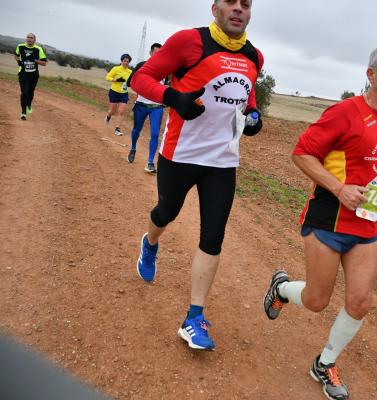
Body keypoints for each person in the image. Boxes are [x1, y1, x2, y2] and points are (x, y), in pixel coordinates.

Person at [263, 44, 377, 400]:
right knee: (317, 300)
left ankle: (324, 363)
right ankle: (281, 289)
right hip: (328, 221)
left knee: (360, 302)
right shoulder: (345, 113)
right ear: (371, 74)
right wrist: (337, 187)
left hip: (367, 227)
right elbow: (301, 152)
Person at [131, 0, 263, 351]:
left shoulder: (255, 56)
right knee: (166, 213)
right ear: (215, 7)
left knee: (213, 235)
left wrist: (253, 116)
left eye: (246, 4)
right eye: (231, 2)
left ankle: (194, 317)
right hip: (180, 154)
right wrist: (173, 97)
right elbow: (139, 78)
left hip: (222, 161)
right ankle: (150, 243)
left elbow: (245, 98)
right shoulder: (189, 42)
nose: (239, 9)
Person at [126, 43, 166, 174]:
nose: (158, 55)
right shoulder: (141, 65)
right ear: (150, 53)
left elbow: (169, 86)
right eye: (155, 52)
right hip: (141, 105)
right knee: (136, 130)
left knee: (155, 134)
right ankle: (133, 148)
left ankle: (150, 162)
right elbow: (129, 82)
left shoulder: (166, 68)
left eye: (160, 53)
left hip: (157, 107)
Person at [14, 33, 47, 121]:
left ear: (34, 40)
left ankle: (29, 104)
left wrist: (35, 60)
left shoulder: (38, 49)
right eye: (28, 37)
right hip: (23, 73)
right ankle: (23, 112)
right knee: (24, 92)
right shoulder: (20, 46)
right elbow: (16, 55)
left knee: (30, 92)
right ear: (26, 39)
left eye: (31, 38)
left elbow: (44, 63)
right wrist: (19, 62)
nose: (29, 39)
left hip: (33, 75)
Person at [104, 54, 132, 136]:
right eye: (124, 61)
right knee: (112, 111)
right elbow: (107, 77)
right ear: (121, 61)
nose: (126, 63)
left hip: (124, 93)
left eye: (127, 61)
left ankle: (117, 129)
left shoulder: (130, 72)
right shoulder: (115, 69)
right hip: (114, 92)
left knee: (121, 111)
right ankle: (108, 116)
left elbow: (132, 81)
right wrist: (115, 80)